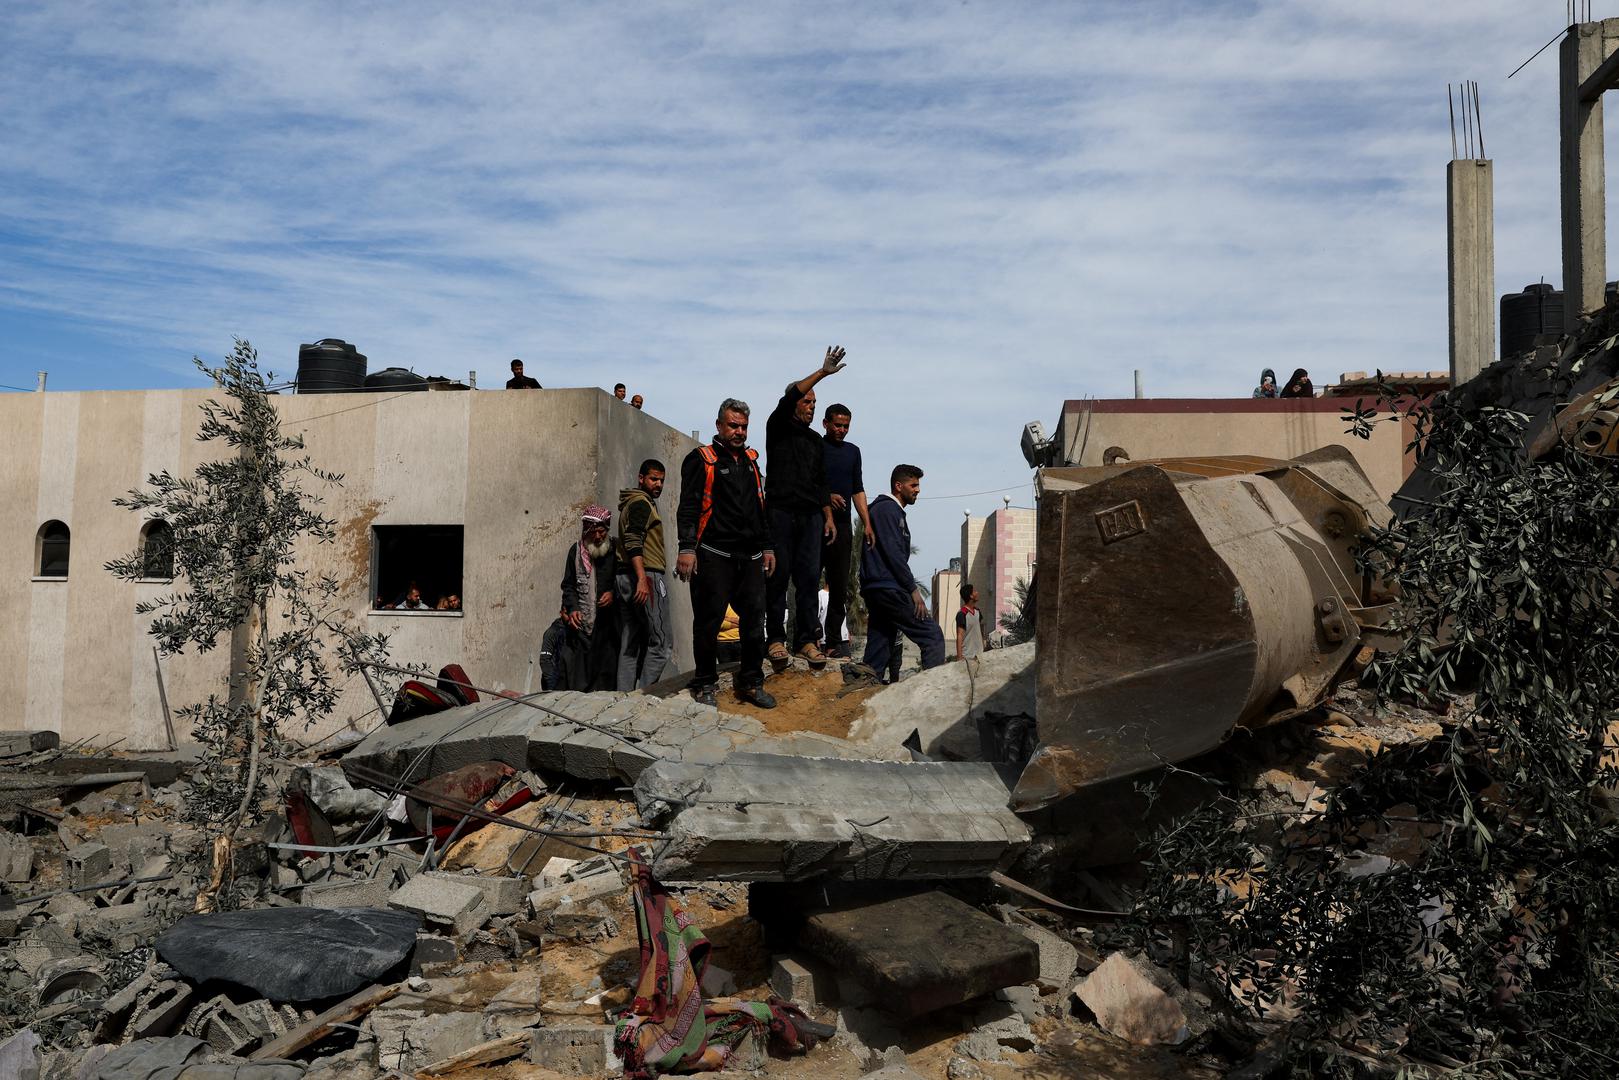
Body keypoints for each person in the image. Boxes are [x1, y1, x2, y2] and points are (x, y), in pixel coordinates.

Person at [676, 398, 775, 708]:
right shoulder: (701, 459)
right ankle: (705, 683)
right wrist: (687, 549)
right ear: (719, 425)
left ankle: (750, 682)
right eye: (733, 425)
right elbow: (689, 506)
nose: (739, 431)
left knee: (754, 623)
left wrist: (768, 546)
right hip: (713, 555)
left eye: (744, 426)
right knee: (709, 622)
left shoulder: (751, 461)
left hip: (751, 557)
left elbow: (762, 508)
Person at [764, 347, 846, 671]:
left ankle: (807, 641)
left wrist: (828, 516)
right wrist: (822, 373)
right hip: (781, 512)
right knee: (778, 577)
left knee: (809, 579)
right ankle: (775, 639)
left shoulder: (815, 441)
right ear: (794, 403)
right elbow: (791, 396)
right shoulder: (778, 426)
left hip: (811, 516)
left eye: (814, 403)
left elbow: (821, 481)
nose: (812, 407)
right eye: (807, 401)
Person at [852, 464, 945, 681]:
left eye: (918, 485)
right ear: (898, 486)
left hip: (880, 587)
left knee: (881, 640)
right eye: (913, 485)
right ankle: (934, 692)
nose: (917, 490)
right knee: (932, 635)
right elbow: (893, 553)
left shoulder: (889, 511)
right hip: (888, 587)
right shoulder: (886, 510)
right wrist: (912, 590)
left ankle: (865, 685)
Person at [615, 459, 673, 690]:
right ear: (641, 478)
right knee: (661, 643)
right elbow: (633, 541)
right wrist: (641, 579)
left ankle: (623, 698)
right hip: (645, 576)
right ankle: (644, 697)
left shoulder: (631, 503)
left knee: (631, 643)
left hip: (625, 578)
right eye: (653, 479)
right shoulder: (641, 504)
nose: (658, 484)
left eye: (661, 480)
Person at [820, 402, 870, 659]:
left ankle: (833, 641)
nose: (841, 430)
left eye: (846, 426)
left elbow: (857, 489)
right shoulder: (816, 446)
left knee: (839, 584)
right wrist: (826, 497)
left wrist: (868, 523)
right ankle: (805, 638)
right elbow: (806, 481)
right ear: (825, 424)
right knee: (808, 582)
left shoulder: (853, 452)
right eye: (837, 425)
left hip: (842, 526)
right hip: (814, 523)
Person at [557, 506, 618, 691]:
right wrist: (573, 607)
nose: (598, 537)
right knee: (580, 682)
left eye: (602, 532)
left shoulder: (615, 548)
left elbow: (625, 580)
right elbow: (568, 586)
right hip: (582, 630)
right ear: (587, 531)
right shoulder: (575, 552)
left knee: (605, 681)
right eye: (594, 532)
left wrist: (614, 593)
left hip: (608, 628)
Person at [956, 582, 986, 661]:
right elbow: (960, 636)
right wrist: (959, 658)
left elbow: (980, 632)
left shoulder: (978, 611)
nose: (977, 592)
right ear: (971, 596)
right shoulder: (962, 614)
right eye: (974, 591)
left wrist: (984, 649)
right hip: (967, 657)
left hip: (980, 655)